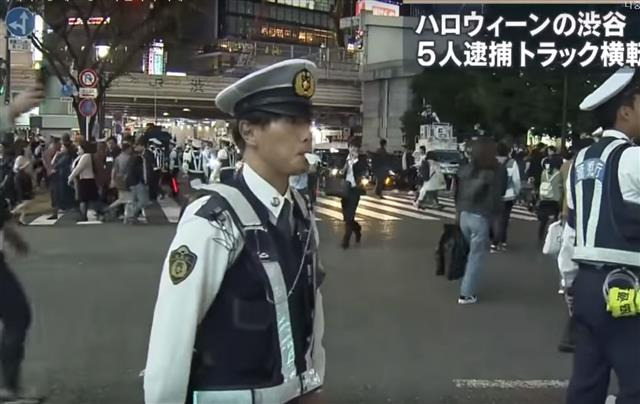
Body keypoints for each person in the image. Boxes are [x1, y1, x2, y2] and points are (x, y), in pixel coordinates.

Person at [144, 59, 326, 404]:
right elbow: (171, 342)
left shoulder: (300, 211)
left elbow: (311, 315)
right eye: (291, 121)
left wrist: (313, 383)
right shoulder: (214, 219)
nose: (307, 135)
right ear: (249, 131)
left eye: (308, 121)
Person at [561, 66, 640, 404]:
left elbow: (569, 231)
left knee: (586, 384)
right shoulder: (634, 158)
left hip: (588, 289)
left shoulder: (580, 161)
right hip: (628, 288)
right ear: (625, 111)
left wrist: (570, 287)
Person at [454, 137, 506, 304]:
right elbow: (499, 195)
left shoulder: (466, 169)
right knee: (476, 256)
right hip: (481, 217)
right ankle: (466, 294)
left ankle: (463, 280)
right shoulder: (497, 170)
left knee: (469, 252)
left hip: (464, 215)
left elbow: (456, 192)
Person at [491, 142, 521, 251]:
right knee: (504, 219)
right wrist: (517, 193)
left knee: (494, 218)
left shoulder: (491, 162)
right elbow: (516, 180)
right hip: (508, 195)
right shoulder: (512, 163)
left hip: (494, 195)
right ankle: (502, 241)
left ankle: (494, 241)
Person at [340, 139, 367, 249]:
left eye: (356, 148)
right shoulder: (344, 159)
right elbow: (340, 172)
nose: (354, 149)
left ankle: (346, 240)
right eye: (352, 147)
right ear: (348, 148)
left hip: (355, 190)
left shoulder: (361, 160)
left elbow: (363, 171)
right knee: (346, 216)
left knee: (350, 214)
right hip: (344, 190)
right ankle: (357, 228)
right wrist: (344, 168)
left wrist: (355, 161)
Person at [68, 141, 99, 222]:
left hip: (87, 179)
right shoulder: (82, 156)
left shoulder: (86, 156)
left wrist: (70, 177)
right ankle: (85, 214)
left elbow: (78, 168)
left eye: (79, 148)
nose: (78, 150)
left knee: (84, 199)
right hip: (84, 179)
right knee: (85, 199)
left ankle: (84, 215)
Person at [536, 156, 563, 243]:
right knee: (555, 219)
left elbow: (541, 183)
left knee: (543, 220)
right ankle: (553, 236)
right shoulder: (559, 174)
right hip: (554, 199)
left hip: (544, 198)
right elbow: (561, 187)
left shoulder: (544, 173)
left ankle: (540, 236)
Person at [11, 140, 34, 225]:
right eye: (27, 148)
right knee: (26, 199)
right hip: (20, 179)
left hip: (26, 179)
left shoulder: (27, 158)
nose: (29, 149)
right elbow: (16, 169)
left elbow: (30, 170)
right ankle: (13, 211)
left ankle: (21, 218)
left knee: (26, 199)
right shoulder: (19, 158)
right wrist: (25, 165)